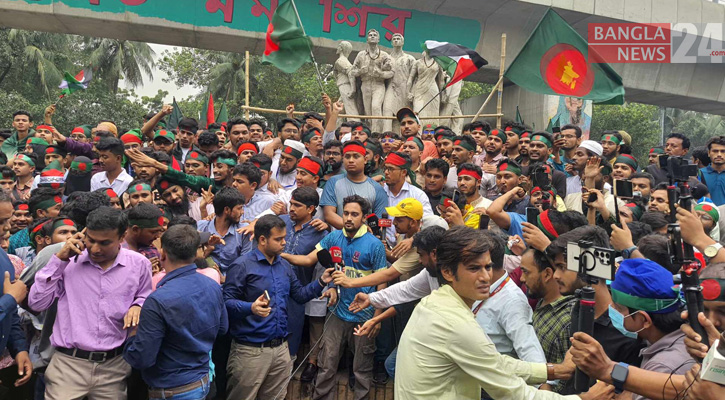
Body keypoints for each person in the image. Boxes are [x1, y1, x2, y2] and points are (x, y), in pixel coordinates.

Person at [394, 225, 612, 400]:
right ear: (448, 272)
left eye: (487, 267)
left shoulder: (437, 303)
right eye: (473, 268)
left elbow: (494, 362)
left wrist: (553, 371)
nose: (485, 277)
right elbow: (513, 392)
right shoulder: (454, 323)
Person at [28, 206, 152, 399]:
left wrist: (138, 306)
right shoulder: (68, 261)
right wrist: (59, 261)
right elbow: (37, 303)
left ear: (122, 237)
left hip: (114, 366)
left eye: (104, 243)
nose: (95, 249)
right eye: (91, 240)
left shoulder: (139, 264)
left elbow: (144, 296)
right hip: (67, 366)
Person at [282, 195, 387, 400]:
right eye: (346, 213)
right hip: (336, 312)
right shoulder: (333, 238)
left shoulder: (375, 245)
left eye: (354, 214)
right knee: (326, 365)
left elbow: (382, 282)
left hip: (364, 317)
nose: (348, 218)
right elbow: (307, 259)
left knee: (361, 370)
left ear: (364, 217)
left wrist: (376, 317)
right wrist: (280, 254)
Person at [224, 215, 334, 400]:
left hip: (281, 349)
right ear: (262, 239)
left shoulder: (284, 265)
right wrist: (250, 307)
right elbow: (226, 302)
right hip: (250, 351)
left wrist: (322, 282)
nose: (284, 243)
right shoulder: (242, 265)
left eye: (284, 237)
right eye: (278, 239)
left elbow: (299, 295)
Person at [124, 224, 227, 400]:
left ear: (162, 254)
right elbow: (223, 328)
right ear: (195, 254)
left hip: (171, 389)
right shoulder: (212, 285)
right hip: (203, 382)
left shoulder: (157, 300)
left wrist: (132, 333)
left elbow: (142, 358)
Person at [0, 190, 32, 391]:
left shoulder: (4, 258)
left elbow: (9, 316)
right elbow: (8, 303)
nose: (7, 227)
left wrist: (19, 348)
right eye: (1, 221)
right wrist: (11, 299)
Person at [320, 141, 388, 230]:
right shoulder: (333, 182)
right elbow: (329, 214)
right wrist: (357, 229)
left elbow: (379, 222)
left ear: (365, 160)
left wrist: (362, 232)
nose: (351, 160)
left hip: (365, 240)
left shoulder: (377, 188)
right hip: (338, 239)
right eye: (347, 157)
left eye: (356, 156)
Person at [196, 187, 251, 276]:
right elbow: (191, 262)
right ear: (227, 210)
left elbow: (245, 265)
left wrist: (226, 279)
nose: (242, 212)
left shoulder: (243, 231)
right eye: (239, 208)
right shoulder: (201, 227)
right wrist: (209, 248)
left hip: (234, 283)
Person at [699, 136, 725, 206]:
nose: (719, 154)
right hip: (704, 215)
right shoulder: (699, 174)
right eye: (715, 151)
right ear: (709, 153)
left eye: (723, 151)